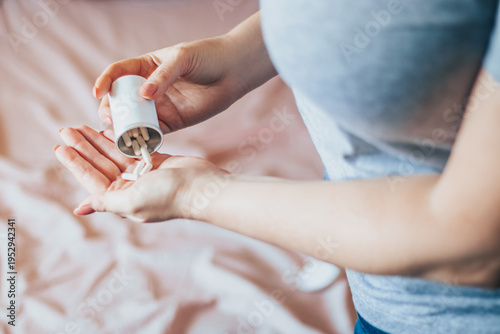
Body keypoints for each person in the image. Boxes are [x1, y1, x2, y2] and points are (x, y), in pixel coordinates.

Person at [55, 2, 500, 333]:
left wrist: (196, 193)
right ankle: (342, 251)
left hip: (443, 310)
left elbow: (472, 244)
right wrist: (236, 58)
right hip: (367, 196)